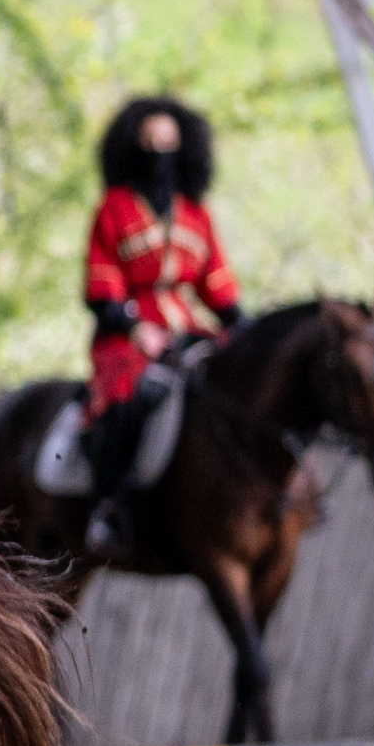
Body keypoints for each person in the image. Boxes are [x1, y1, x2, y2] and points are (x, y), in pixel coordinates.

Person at [81, 95, 242, 557]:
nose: (160, 152)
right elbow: (100, 289)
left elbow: (219, 288)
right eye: (151, 142)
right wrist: (134, 326)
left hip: (186, 327)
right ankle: (106, 506)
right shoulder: (113, 209)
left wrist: (243, 327)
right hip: (127, 337)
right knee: (129, 398)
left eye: (169, 143)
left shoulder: (197, 215)